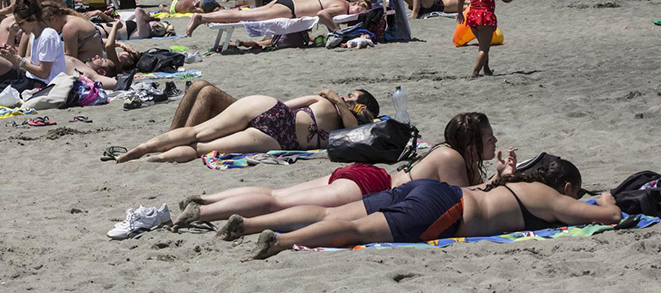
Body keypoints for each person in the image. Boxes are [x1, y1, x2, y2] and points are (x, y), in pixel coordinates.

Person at [177, 113, 512, 234]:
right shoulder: (452, 159)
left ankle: (207, 200)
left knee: (279, 196)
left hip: (366, 176)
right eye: (488, 138)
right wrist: (499, 178)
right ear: (470, 143)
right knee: (279, 204)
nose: (494, 140)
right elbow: (462, 201)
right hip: (369, 187)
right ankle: (203, 212)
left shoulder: (447, 152)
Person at [244, 159, 621, 260]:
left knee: (331, 215)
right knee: (355, 231)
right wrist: (605, 198)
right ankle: (280, 241)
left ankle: (247, 223)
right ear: (568, 187)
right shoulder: (553, 198)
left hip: (428, 189)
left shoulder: (517, 182)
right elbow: (609, 217)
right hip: (448, 210)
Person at [115, 88, 379, 164]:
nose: (345, 96)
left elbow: (351, 128)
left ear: (362, 106)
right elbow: (286, 105)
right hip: (279, 125)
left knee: (200, 145)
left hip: (277, 129)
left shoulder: (349, 122)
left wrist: (335, 99)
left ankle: (145, 158)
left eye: (353, 97)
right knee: (198, 142)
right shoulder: (326, 104)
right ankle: (140, 152)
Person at [186, 0, 369, 36]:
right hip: (289, 10)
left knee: (245, 13)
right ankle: (202, 18)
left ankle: (210, 15)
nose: (355, 13)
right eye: (358, 10)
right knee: (247, 17)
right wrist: (337, 31)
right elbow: (322, 14)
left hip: (287, 2)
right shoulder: (342, 6)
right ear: (354, 3)